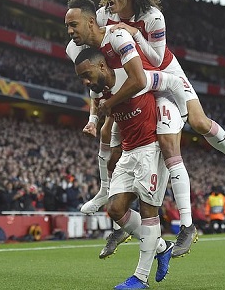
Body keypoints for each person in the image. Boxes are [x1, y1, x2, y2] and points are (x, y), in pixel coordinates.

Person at [96, 0, 225, 254]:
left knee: (198, 122)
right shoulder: (102, 16)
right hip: (137, 80)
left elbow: (157, 57)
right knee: (118, 147)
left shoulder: (152, 17)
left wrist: (135, 34)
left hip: (164, 72)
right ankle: (120, 223)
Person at [65, 0, 198, 257]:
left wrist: (184, 113)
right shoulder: (75, 50)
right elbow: (95, 85)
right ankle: (108, 197)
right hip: (125, 102)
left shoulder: (119, 35)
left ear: (91, 22)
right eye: (67, 26)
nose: (69, 31)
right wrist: (94, 118)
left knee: (171, 148)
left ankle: (187, 225)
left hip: (154, 92)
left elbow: (141, 79)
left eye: (73, 25)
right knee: (108, 140)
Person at [74, 47, 175, 289]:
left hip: (151, 149)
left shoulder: (131, 75)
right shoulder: (99, 89)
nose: (86, 82)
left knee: (149, 212)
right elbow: (96, 104)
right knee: (115, 209)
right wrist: (93, 122)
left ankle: (140, 278)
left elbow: (149, 80)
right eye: (81, 78)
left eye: (87, 75)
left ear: (102, 66)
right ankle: (162, 247)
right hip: (129, 152)